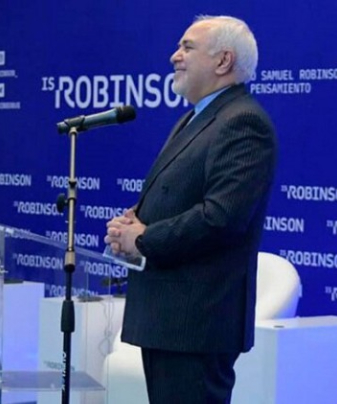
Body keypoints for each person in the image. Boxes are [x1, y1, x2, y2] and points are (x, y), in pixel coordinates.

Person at [105, 15, 277, 403]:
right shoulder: (195, 118)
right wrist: (134, 223)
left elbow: (221, 218)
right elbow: (179, 195)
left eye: (187, 47)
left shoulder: (243, 122)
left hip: (196, 323)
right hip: (168, 318)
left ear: (223, 61)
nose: (174, 56)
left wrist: (144, 238)